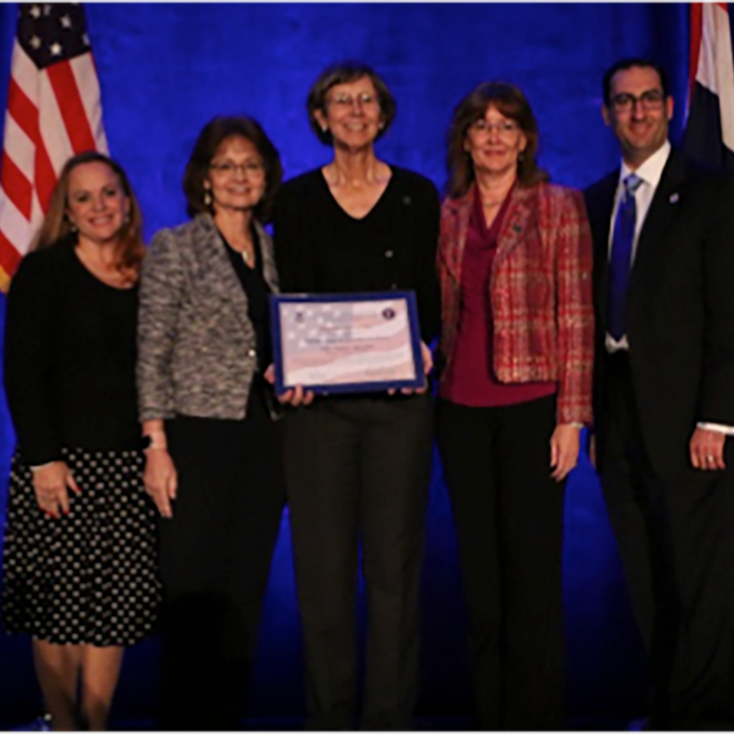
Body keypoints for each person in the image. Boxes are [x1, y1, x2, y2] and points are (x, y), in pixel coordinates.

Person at [272, 61, 440, 731]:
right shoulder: (295, 199)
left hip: (400, 406)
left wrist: (426, 350)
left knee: (396, 573)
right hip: (317, 415)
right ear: (320, 117)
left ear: (383, 114)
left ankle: (391, 719)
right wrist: (294, 367)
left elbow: (432, 296)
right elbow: (291, 296)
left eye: (367, 100)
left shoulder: (418, 195)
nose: (355, 111)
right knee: (322, 577)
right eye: (341, 102)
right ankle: (330, 718)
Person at [435, 82, 594, 731]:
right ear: (466, 139)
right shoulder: (447, 211)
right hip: (459, 409)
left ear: (525, 139)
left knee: (531, 576)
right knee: (480, 579)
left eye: (507, 126)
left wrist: (571, 419)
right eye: (482, 125)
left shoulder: (558, 206)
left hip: (534, 407)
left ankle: (536, 716)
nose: (494, 136)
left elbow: (578, 316)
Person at [585, 58, 734, 730]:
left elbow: (729, 316)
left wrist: (719, 418)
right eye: (624, 101)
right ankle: (666, 701)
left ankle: (700, 711)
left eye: (649, 99)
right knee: (643, 571)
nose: (637, 112)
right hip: (617, 417)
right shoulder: (589, 203)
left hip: (689, 421)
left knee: (699, 575)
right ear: (606, 113)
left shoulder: (711, 194)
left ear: (671, 107)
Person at [1, 151, 158, 731]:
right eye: (84, 197)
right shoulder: (43, 272)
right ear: (66, 210)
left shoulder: (149, 271)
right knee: (57, 608)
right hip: (58, 468)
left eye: (110, 193)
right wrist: (44, 459)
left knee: (109, 613)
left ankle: (96, 723)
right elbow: (22, 373)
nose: (100, 207)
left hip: (126, 470)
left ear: (127, 200)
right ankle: (63, 724)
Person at [137, 116, 285, 731]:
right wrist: (156, 446)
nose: (238, 176)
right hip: (194, 439)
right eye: (225, 165)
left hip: (264, 440)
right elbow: (151, 351)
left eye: (250, 165)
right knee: (194, 598)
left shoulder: (277, 247)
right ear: (203, 178)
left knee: (244, 596)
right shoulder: (175, 246)